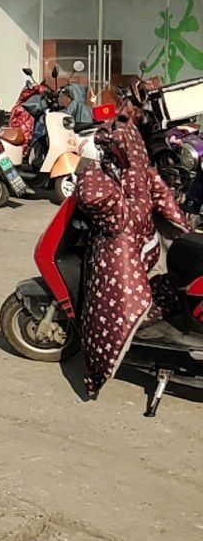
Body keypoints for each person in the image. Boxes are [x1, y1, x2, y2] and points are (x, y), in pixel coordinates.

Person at [75, 118, 187, 398]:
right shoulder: (141, 169)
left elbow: (101, 206)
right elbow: (165, 199)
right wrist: (181, 225)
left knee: (113, 309)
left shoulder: (108, 173)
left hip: (122, 246)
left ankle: (99, 366)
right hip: (146, 242)